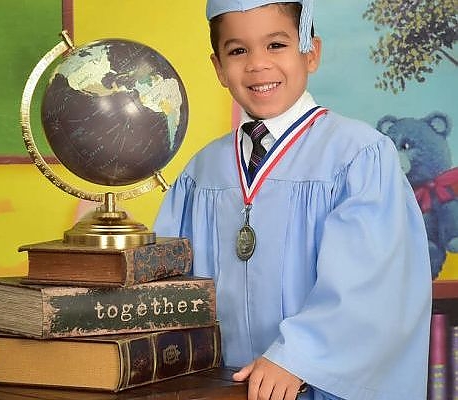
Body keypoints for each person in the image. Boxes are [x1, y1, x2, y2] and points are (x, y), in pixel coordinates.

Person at [154, 1, 432, 399]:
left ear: (311, 52)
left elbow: (375, 284)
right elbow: (169, 290)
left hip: (315, 386)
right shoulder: (201, 173)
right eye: (238, 51)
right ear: (217, 67)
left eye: (276, 45)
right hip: (220, 390)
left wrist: (297, 356)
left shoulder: (358, 155)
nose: (257, 65)